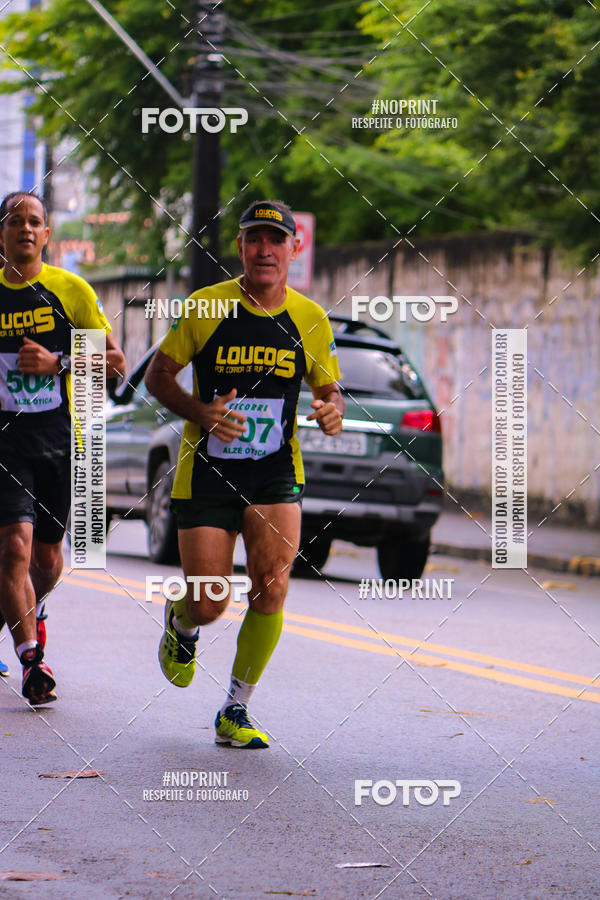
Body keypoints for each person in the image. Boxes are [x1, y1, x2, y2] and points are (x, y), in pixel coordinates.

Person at [145, 200, 344, 748]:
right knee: (210, 602)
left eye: (275, 240)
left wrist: (332, 409)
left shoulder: (310, 318)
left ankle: (236, 708)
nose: (264, 250)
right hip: (206, 474)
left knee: (272, 588)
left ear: (293, 249)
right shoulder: (206, 307)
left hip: (275, 474)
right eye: (254, 239)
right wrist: (200, 412)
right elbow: (158, 377)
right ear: (240, 247)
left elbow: (330, 390)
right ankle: (182, 622)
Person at [0, 191, 125, 705]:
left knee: (47, 563)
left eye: (36, 222)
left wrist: (60, 364)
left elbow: (115, 361)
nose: (26, 229)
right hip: (5, 445)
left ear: (47, 235)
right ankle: (31, 659)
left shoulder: (70, 290)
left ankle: (33, 609)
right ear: (1, 233)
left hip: (57, 440)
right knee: (13, 548)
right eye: (15, 221)